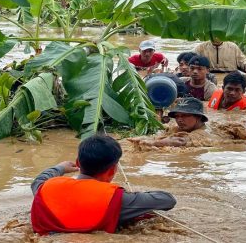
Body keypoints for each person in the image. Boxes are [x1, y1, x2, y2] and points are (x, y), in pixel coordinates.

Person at [31, 135, 176, 235]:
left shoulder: (46, 188)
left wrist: (60, 167)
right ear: (113, 170)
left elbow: (39, 180)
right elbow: (168, 200)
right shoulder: (117, 198)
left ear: (78, 163)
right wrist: (135, 196)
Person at [129, 97, 212, 147]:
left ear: (199, 117)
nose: (179, 120)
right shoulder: (176, 128)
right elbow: (162, 133)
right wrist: (144, 138)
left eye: (184, 116)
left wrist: (153, 143)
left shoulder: (203, 133)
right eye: (177, 116)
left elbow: (181, 141)